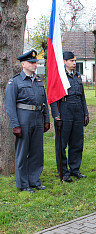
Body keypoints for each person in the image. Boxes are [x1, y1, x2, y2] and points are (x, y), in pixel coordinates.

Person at [4, 49, 50, 193]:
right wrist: (15, 125)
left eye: (35, 62)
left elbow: (44, 101)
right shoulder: (15, 82)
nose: (34, 65)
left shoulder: (38, 81)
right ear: (23, 64)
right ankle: (23, 184)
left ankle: (34, 180)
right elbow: (9, 105)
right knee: (22, 152)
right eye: (31, 62)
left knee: (37, 152)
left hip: (37, 117)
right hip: (23, 118)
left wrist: (46, 119)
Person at [50, 51, 89, 182]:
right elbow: (53, 98)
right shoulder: (59, 77)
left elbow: (82, 96)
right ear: (65, 61)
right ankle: (63, 171)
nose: (74, 63)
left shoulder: (77, 76)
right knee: (62, 143)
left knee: (77, 142)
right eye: (71, 61)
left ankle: (75, 169)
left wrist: (85, 113)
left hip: (77, 109)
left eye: (74, 60)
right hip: (65, 109)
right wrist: (56, 116)